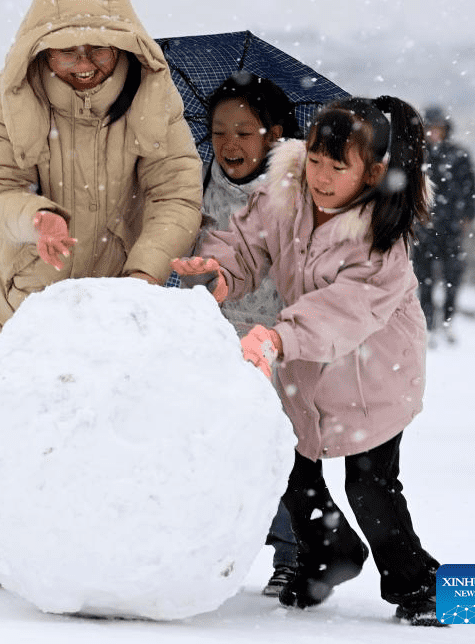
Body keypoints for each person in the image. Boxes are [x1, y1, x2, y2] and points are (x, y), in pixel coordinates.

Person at [0, 0, 203, 588]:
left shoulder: (155, 100)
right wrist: (37, 219)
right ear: (40, 47)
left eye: (98, 47)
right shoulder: (8, 98)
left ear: (126, 45)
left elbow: (176, 195)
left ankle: (83, 546)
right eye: (66, 48)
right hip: (16, 277)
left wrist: (147, 268)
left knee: (92, 415)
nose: (84, 63)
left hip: (115, 284)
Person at [172, 97, 444, 626]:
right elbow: (248, 242)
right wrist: (224, 268)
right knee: (292, 469)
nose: (320, 177)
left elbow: (343, 310)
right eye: (316, 161)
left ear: (375, 172)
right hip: (303, 366)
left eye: (338, 168)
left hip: (373, 374)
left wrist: (277, 337)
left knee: (370, 487)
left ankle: (419, 585)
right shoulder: (286, 194)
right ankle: (327, 554)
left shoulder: (383, 240)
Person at [175, 72, 302, 598]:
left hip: (277, 338)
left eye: (244, 131)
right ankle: (204, 551)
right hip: (214, 333)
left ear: (274, 135)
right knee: (212, 448)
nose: (230, 143)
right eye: (220, 130)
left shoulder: (294, 192)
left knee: (282, 451)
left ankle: (293, 553)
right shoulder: (198, 182)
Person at [411, 106, 475, 346]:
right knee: (424, 280)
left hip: (450, 230)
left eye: (438, 128)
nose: (434, 133)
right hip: (424, 230)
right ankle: (428, 325)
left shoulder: (459, 156)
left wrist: (467, 217)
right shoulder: (417, 155)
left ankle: (447, 322)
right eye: (429, 128)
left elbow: (470, 189)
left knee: (452, 279)